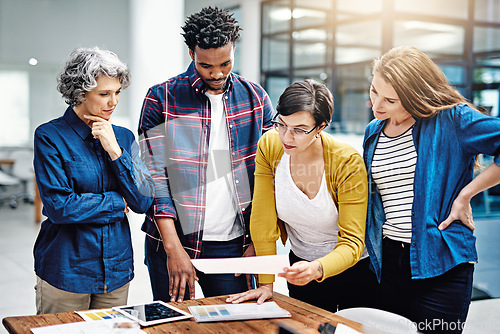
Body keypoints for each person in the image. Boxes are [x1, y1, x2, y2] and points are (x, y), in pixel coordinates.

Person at [138, 6, 274, 303]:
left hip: (233, 244)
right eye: (206, 65)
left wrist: (258, 242)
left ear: (234, 50)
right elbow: (154, 179)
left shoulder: (256, 99)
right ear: (191, 54)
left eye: (225, 64)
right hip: (173, 241)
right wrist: (173, 249)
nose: (216, 73)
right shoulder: (161, 97)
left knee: (233, 325)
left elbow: (270, 176)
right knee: (173, 324)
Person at [363, 46, 500, 334]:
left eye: (390, 99)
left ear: (415, 95)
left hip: (442, 263)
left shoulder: (453, 120)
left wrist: (466, 194)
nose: (376, 106)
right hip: (389, 263)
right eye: (374, 91)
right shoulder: (373, 131)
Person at [226, 79, 376, 312]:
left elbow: (353, 242)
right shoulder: (270, 146)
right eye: (282, 124)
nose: (286, 137)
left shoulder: (346, 162)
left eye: (299, 130)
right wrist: (267, 285)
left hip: (353, 270)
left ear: (321, 127)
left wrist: (317, 268)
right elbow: (263, 222)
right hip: (300, 267)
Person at [33, 47, 155, 314]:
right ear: (79, 93)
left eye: (117, 92)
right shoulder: (49, 137)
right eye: (104, 94)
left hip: (116, 272)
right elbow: (60, 208)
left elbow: (144, 200)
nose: (114, 102)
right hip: (66, 271)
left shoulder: (123, 138)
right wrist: (116, 201)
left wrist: (115, 151)